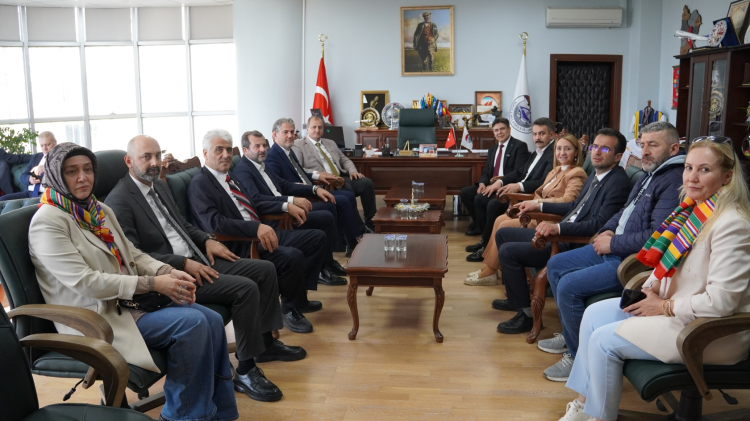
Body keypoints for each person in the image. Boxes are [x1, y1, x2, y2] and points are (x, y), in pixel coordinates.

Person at [28, 142, 238, 421]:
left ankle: (219, 413)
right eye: (72, 171)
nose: (83, 177)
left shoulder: (98, 210)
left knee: (211, 319)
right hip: (94, 318)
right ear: (56, 175)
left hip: (127, 303)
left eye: (88, 169)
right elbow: (85, 282)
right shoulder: (48, 222)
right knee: (194, 324)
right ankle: (184, 416)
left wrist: (165, 270)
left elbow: (133, 253)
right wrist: (152, 284)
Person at [557, 137, 750, 421]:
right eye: (689, 167)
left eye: (705, 170)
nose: (692, 177)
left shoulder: (732, 224)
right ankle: (585, 405)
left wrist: (662, 307)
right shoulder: (694, 209)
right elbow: (674, 266)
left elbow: (721, 302)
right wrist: (653, 288)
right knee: (594, 314)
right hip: (680, 310)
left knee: (602, 340)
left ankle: (600, 417)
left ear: (727, 177)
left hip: (708, 332)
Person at [106, 135, 306, 402]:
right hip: (172, 275)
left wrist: (207, 240)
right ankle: (246, 370)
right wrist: (182, 263)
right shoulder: (119, 201)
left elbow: (182, 225)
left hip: (197, 257)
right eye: (146, 157)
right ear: (129, 161)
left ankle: (265, 345)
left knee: (265, 269)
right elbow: (133, 256)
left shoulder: (159, 185)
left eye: (158, 155)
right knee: (245, 289)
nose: (155, 163)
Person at [541, 121, 684, 383]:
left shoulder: (673, 180)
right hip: (615, 246)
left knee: (569, 285)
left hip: (632, 262)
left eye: (653, 145)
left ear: (673, 149)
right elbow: (623, 211)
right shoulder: (650, 173)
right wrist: (607, 230)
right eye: (642, 145)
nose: (645, 151)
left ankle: (578, 359)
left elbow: (657, 237)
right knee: (556, 264)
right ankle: (571, 334)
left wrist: (613, 243)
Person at [488, 129, 631, 334]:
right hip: (562, 230)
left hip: (569, 241)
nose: (597, 152)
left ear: (618, 156)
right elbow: (574, 207)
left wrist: (558, 228)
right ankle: (517, 299)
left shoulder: (617, 182)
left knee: (508, 252)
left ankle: (526, 315)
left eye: (605, 149)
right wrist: (538, 205)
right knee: (503, 234)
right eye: (594, 146)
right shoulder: (596, 174)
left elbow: (598, 224)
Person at [189, 129, 327, 334]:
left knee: (316, 238)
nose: (226, 155)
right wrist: (255, 228)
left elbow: (254, 203)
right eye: (219, 150)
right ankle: (289, 310)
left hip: (260, 232)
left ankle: (296, 299)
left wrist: (285, 206)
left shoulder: (229, 176)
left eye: (228, 149)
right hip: (238, 244)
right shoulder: (200, 183)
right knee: (291, 256)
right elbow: (214, 224)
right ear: (205, 153)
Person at [464, 134, 587, 286]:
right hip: (538, 213)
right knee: (499, 219)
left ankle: (490, 270)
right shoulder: (555, 171)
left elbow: (569, 201)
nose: (562, 153)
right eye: (559, 148)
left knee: (504, 225)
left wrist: (537, 203)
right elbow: (539, 193)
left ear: (576, 152)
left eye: (567, 149)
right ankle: (490, 268)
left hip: (550, 219)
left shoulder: (577, 173)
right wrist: (530, 203)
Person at [232, 130, 347, 286]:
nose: (262, 149)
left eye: (264, 145)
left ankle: (327, 264)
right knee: (323, 221)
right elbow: (256, 200)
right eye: (257, 146)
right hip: (276, 219)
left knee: (327, 211)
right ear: (245, 150)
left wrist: (314, 189)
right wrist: (289, 202)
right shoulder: (243, 170)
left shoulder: (262, 165)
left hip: (286, 210)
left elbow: (284, 185)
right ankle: (320, 271)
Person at [265, 117, 366, 257]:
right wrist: (312, 189)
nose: (290, 135)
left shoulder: (287, 151)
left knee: (348, 195)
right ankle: (351, 242)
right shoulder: (272, 156)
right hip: (299, 196)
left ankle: (351, 240)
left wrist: (317, 176)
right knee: (342, 200)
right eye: (285, 132)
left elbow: (300, 172)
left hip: (309, 188)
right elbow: (280, 185)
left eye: (292, 132)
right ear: (275, 134)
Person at [465, 117, 556, 261]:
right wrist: (500, 182)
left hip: (528, 196)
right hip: (517, 189)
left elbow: (545, 182)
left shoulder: (553, 154)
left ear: (552, 134)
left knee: (493, 204)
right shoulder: (537, 152)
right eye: (535, 134)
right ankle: (485, 242)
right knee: (478, 197)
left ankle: (485, 247)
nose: (537, 137)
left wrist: (519, 186)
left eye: (542, 133)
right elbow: (520, 172)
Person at [293, 116, 377, 231]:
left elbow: (344, 160)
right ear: (307, 129)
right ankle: (359, 229)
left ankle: (371, 223)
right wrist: (318, 174)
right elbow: (299, 168)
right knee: (347, 189)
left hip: (340, 177)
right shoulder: (298, 144)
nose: (317, 130)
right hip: (324, 182)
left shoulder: (330, 142)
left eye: (320, 127)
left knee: (367, 183)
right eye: (314, 127)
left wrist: (352, 171)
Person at [460, 117, 529, 236]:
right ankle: (480, 224)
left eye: (502, 129)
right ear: (493, 133)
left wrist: (500, 183)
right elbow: (487, 171)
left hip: (507, 186)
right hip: (491, 184)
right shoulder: (493, 149)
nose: (499, 132)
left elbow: (518, 172)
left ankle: (483, 230)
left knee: (480, 198)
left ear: (509, 129)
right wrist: (482, 183)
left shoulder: (520, 146)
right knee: (466, 193)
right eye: (496, 130)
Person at [0, 131, 56, 201]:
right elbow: (23, 176)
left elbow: (59, 171)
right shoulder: (36, 157)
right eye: (42, 145)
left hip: (45, 194)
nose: (44, 148)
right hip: (28, 193)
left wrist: (45, 168)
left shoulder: (60, 158)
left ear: (55, 142)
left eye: (47, 145)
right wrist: (29, 179)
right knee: (2, 200)